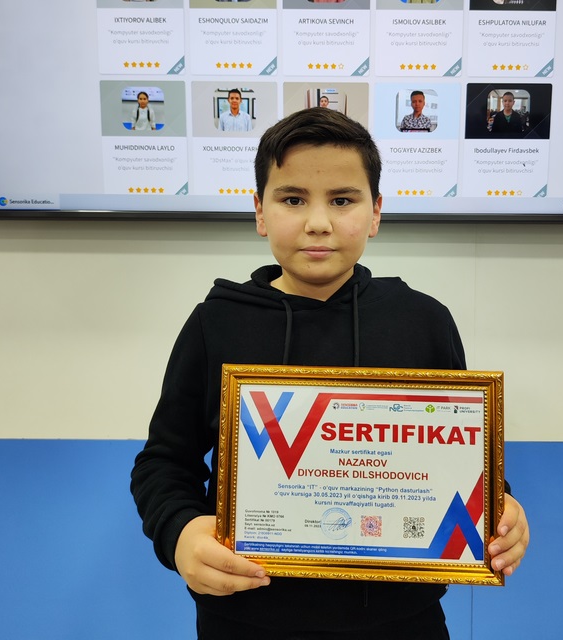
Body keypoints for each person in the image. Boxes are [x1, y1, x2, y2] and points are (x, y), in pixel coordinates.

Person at [130, 108, 529, 639]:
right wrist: (180, 533)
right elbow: (165, 462)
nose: (318, 222)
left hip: (403, 622)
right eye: (293, 199)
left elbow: (460, 456)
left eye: (342, 200)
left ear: (376, 212)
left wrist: (499, 508)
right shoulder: (215, 324)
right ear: (260, 211)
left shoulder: (423, 321)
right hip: (245, 619)